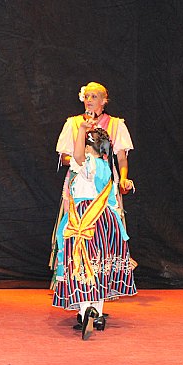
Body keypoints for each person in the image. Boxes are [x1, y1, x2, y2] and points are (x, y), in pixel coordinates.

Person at [50, 82, 136, 325]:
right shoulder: (73, 123)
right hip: (80, 192)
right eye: (86, 96)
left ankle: (88, 301)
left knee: (90, 249)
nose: (89, 100)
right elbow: (67, 157)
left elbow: (121, 157)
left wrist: (124, 177)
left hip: (97, 198)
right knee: (95, 249)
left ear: (104, 100)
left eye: (94, 96)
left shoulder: (116, 125)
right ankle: (90, 303)